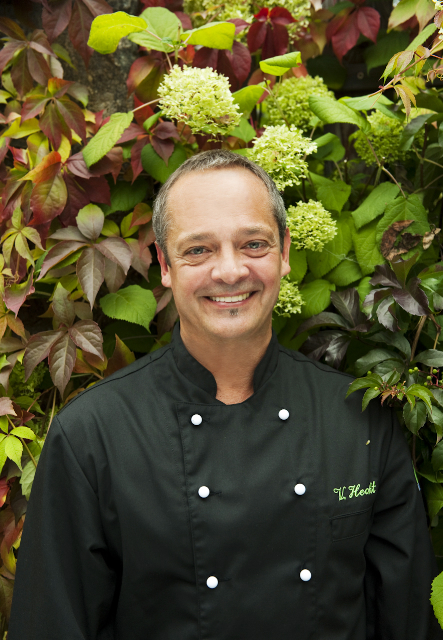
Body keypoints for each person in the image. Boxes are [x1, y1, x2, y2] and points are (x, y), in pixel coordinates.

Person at [9, 150, 441, 640]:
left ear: (284, 252)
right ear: (165, 265)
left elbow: (410, 621)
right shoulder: (91, 436)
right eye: (199, 250)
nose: (230, 271)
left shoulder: (360, 418)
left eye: (253, 244)